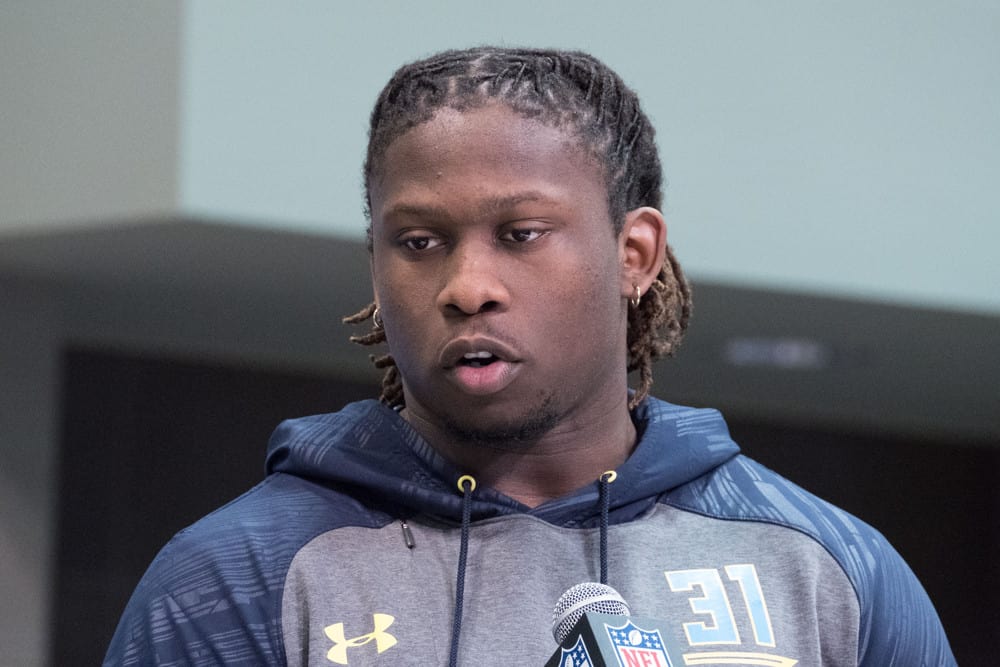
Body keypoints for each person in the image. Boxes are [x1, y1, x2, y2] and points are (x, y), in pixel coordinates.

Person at [105, 47, 954, 666]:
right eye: (420, 241)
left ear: (635, 252)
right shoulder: (239, 573)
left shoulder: (827, 571)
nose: (467, 285)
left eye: (521, 235)